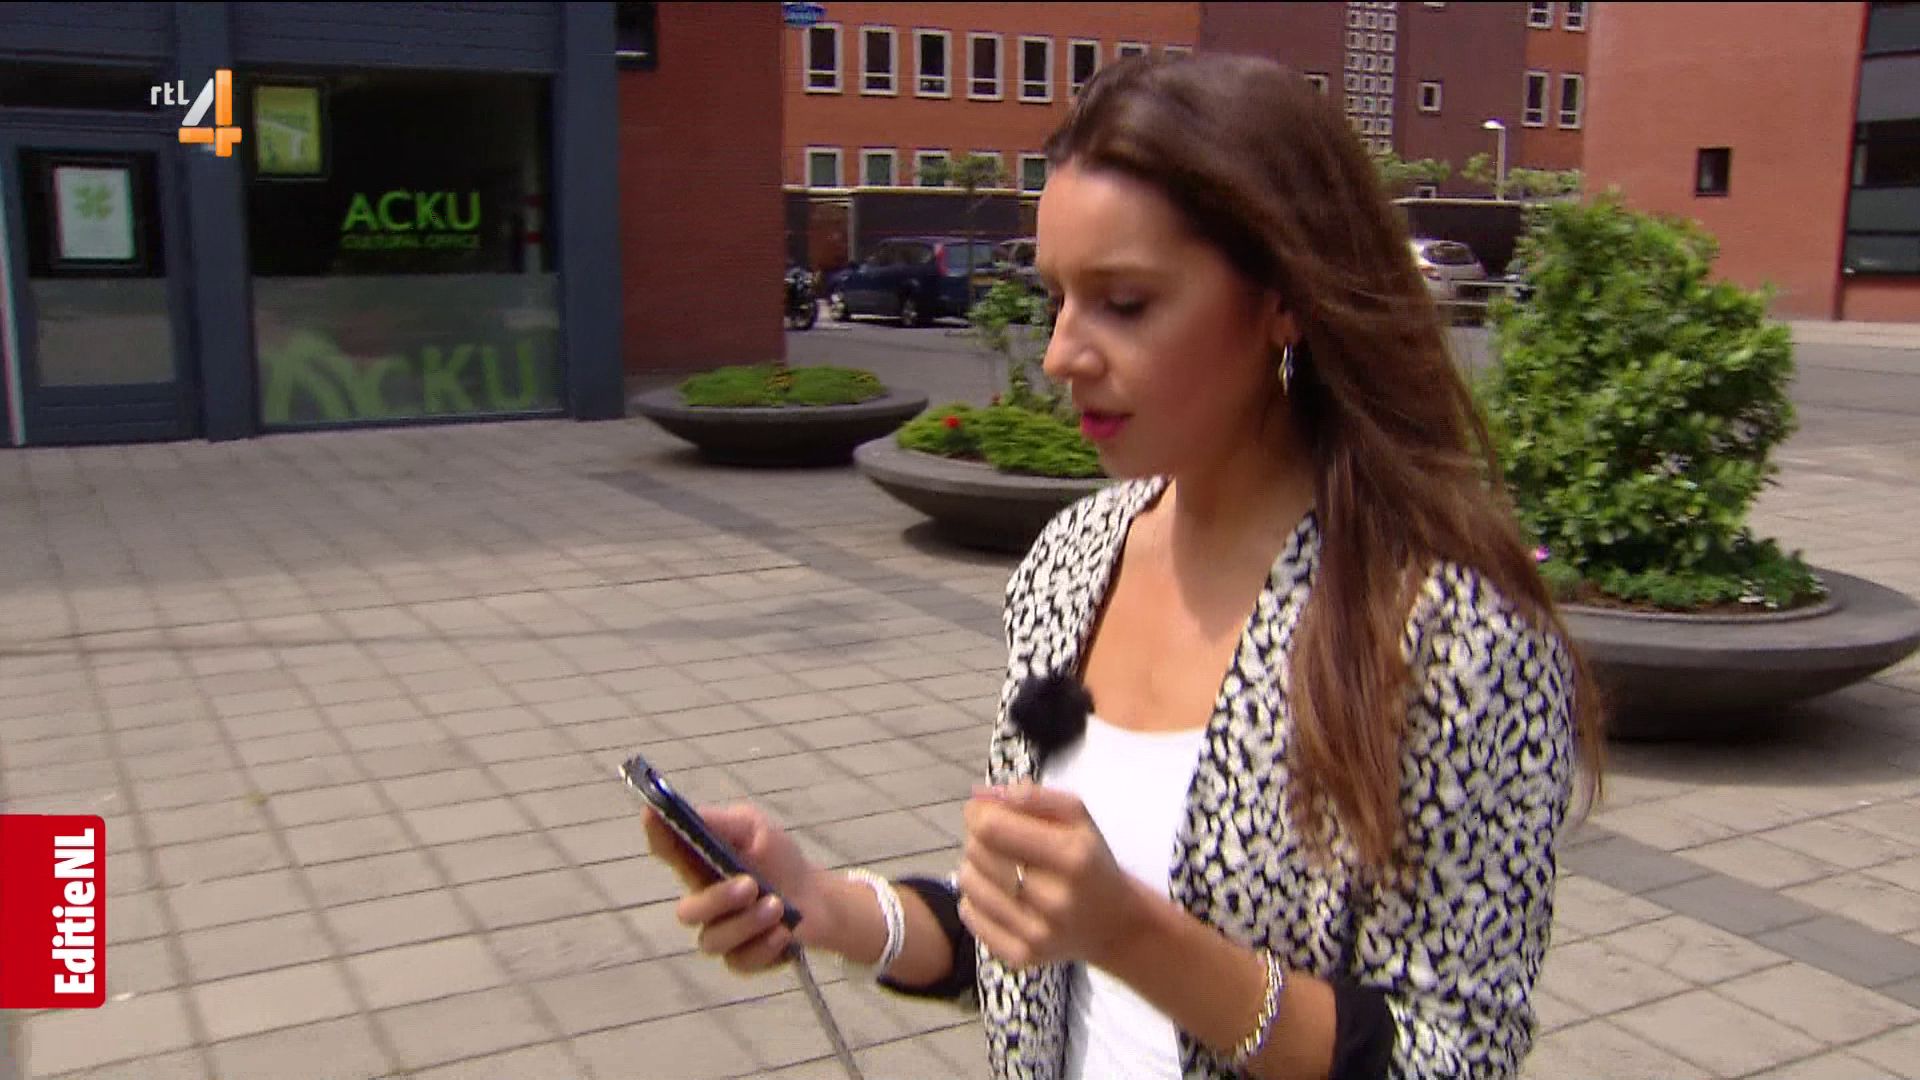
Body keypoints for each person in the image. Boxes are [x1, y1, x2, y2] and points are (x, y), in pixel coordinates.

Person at [647, 52, 1605, 1080]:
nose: (1063, 353)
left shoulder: (1450, 631)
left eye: (1127, 302)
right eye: (1058, 296)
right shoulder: (1073, 559)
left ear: (1284, 299)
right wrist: (827, 905)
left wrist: (1134, 936)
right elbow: (1026, 937)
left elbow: (1456, 1050)